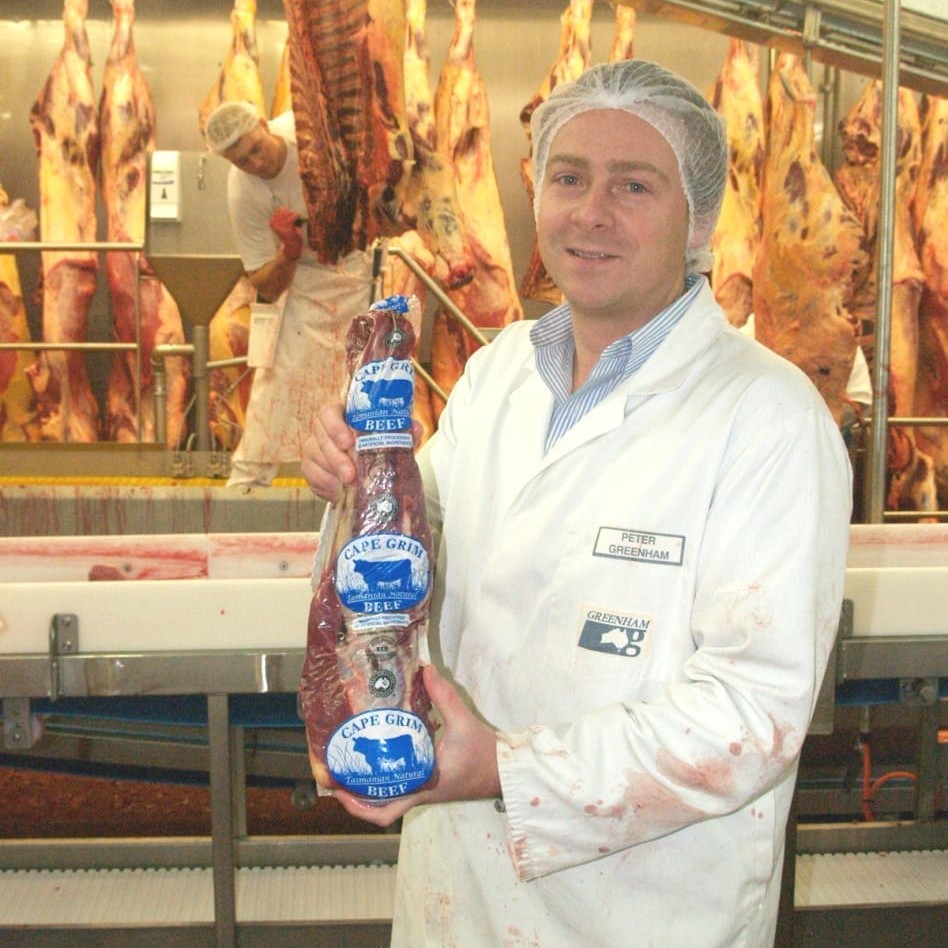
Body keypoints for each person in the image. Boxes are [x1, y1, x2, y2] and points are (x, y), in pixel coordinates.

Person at [302, 59, 852, 948]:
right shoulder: (498, 372)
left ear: (699, 222)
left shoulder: (769, 416)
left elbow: (753, 715)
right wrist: (354, 479)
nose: (589, 213)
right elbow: (415, 540)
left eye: (633, 185)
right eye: (568, 177)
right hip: (456, 899)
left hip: (645, 912)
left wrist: (510, 769)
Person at [204, 101, 372, 488]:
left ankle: (364, 487)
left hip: (360, 271)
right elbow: (264, 282)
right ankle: (246, 490)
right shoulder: (243, 191)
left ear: (265, 125)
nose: (255, 164)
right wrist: (290, 250)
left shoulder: (310, 130)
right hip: (306, 286)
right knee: (276, 389)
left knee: (359, 389)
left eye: (256, 149)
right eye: (242, 161)